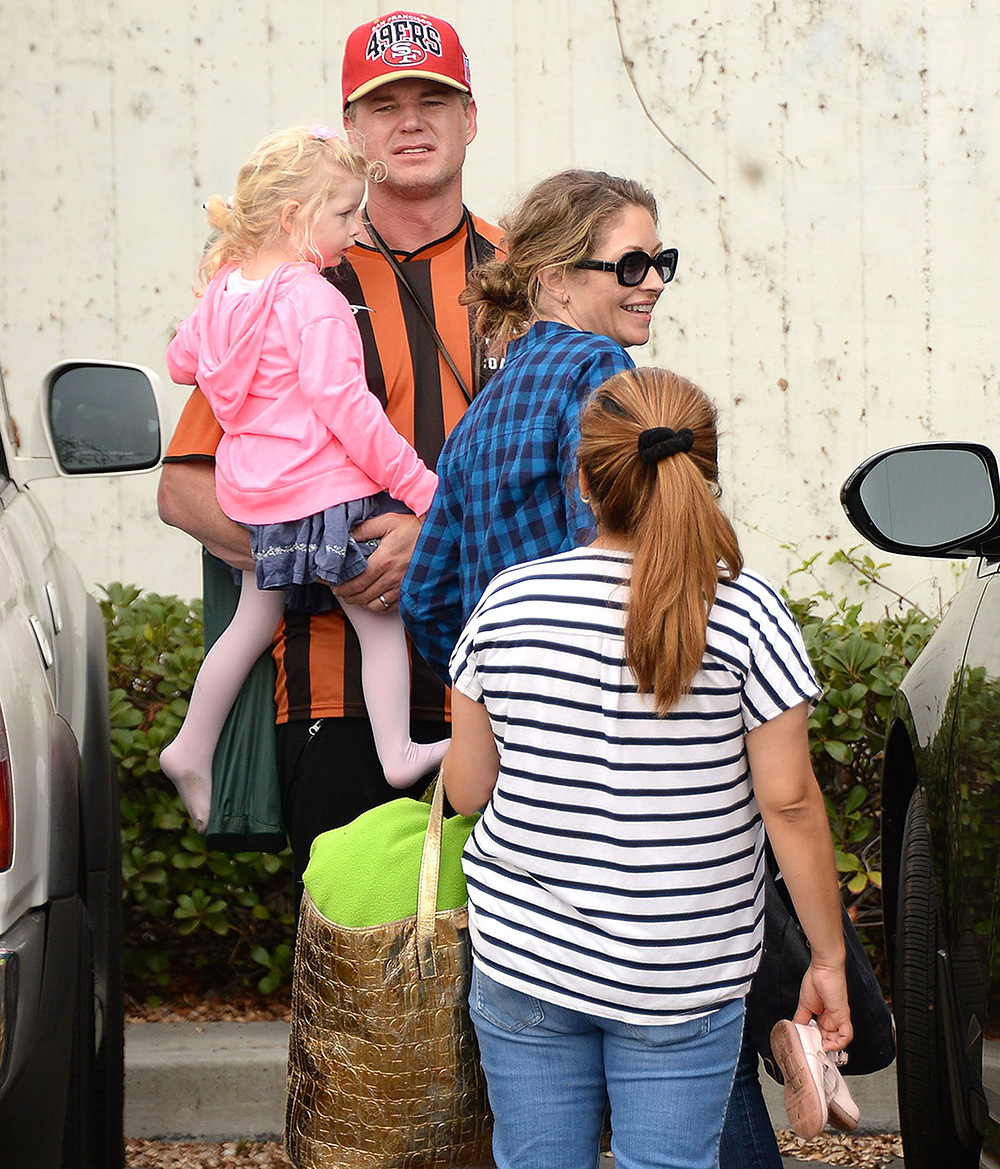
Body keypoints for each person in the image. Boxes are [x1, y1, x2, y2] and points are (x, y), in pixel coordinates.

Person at [440, 366, 853, 1169]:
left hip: (526, 958)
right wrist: (827, 958)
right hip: (684, 970)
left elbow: (468, 789)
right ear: (708, 478)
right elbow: (791, 805)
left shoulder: (510, 600)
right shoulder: (747, 613)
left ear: (586, 483)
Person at [156, 12, 501, 876]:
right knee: (353, 991)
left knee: (514, 997)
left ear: (472, 117)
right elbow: (186, 492)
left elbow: (594, 485)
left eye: (435, 99)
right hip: (331, 694)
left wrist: (436, 535)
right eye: (385, 106)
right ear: (352, 131)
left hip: (512, 686)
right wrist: (326, 555)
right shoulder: (288, 275)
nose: (411, 122)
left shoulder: (527, 272)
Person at [159, 124, 448, 833]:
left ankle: (190, 744)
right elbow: (350, 412)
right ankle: (399, 750)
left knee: (249, 623)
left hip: (255, 497)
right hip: (324, 494)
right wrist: (424, 490)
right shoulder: (313, 299)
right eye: (346, 212)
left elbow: (179, 362)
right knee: (379, 620)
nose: (358, 226)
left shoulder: (226, 291)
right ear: (295, 219)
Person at [399, 167, 675, 679]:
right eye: (633, 265)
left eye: (662, 262)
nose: (655, 281)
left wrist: (494, 683)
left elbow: (423, 601)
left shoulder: (478, 414)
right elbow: (611, 546)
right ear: (556, 278)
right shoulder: (598, 364)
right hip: (597, 695)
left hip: (514, 725)